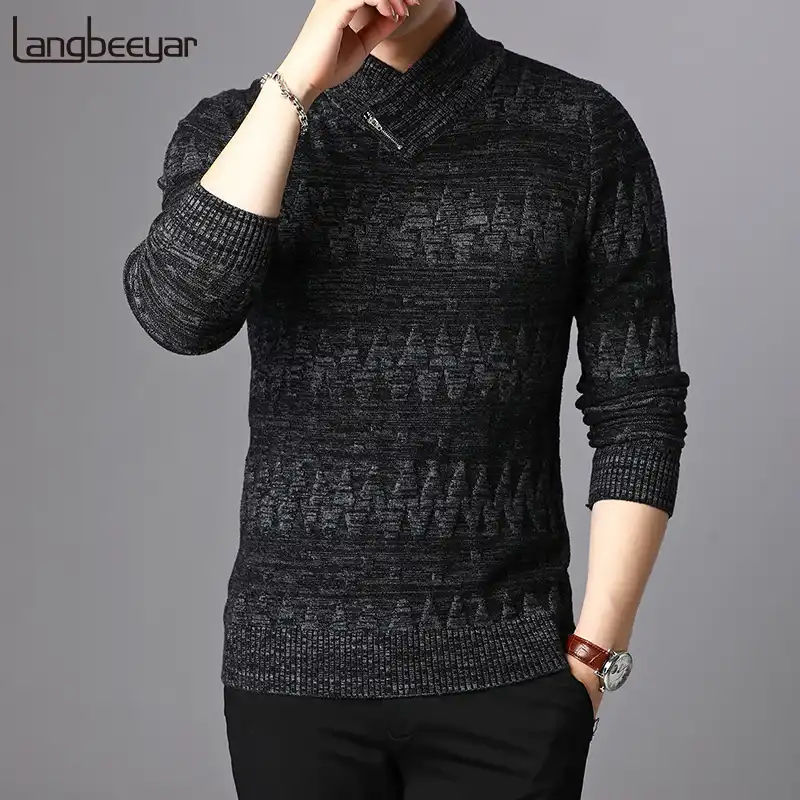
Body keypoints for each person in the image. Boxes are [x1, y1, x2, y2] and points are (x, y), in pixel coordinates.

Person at [122, 1, 690, 797]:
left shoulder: (579, 129)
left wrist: (596, 652)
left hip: (509, 676)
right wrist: (296, 87)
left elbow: (639, 406)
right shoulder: (235, 127)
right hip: (294, 673)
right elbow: (179, 315)